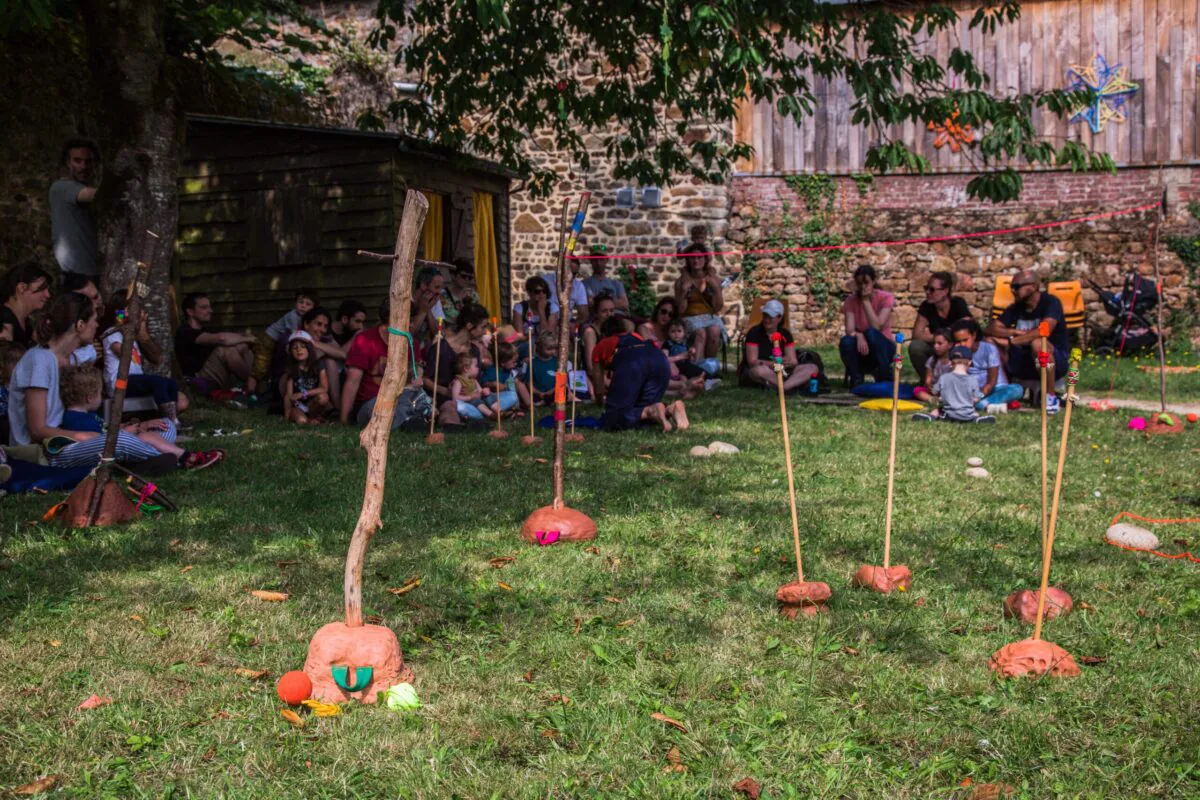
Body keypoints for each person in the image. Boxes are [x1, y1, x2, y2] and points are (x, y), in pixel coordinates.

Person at [9, 293, 222, 469]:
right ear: (80, 325)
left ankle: (143, 455)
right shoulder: (39, 360)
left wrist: (133, 428)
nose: (97, 325)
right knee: (118, 440)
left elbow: (94, 352)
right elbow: (37, 430)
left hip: (77, 439)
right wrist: (87, 436)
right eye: (93, 320)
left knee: (165, 426)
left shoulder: (72, 357)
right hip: (51, 449)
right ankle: (179, 457)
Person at [58, 364, 215, 466]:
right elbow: (103, 440)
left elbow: (106, 428)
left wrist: (140, 426)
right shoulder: (75, 420)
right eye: (100, 393)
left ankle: (162, 454)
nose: (102, 396)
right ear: (89, 398)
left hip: (124, 445)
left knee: (165, 424)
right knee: (140, 437)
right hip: (110, 450)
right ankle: (185, 457)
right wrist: (132, 430)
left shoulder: (91, 415)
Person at [985, 269, 1069, 413]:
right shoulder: (1016, 308)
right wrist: (1014, 332)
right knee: (990, 341)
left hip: (1053, 361)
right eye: (1012, 287)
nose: (1013, 291)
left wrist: (1013, 341)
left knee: (1038, 343)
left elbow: (1044, 331)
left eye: (1017, 287)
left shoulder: (1050, 303)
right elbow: (992, 328)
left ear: (1034, 286)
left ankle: (1050, 397)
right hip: (1023, 361)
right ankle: (1004, 389)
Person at [100, 289, 189, 422]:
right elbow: (124, 354)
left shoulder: (134, 336)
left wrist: (141, 331)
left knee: (169, 383)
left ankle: (173, 417)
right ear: (122, 312)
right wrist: (123, 326)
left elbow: (157, 358)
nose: (140, 313)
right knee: (156, 382)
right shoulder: (111, 333)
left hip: (135, 381)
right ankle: (168, 419)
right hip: (118, 383)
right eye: (134, 309)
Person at [593, 325, 689, 432]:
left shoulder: (603, 343)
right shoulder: (637, 336)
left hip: (632, 362)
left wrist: (599, 402)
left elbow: (598, 382)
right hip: (659, 359)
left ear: (604, 335)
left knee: (612, 420)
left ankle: (650, 410)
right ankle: (670, 409)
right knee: (640, 415)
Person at [176, 292, 256, 394]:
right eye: (204, 307)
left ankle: (253, 383)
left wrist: (246, 338)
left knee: (242, 346)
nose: (210, 311)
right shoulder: (185, 331)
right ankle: (253, 385)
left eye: (209, 307)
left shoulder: (206, 330)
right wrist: (249, 339)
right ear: (190, 312)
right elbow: (222, 338)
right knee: (226, 350)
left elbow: (228, 338)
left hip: (213, 374)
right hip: (196, 379)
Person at [739, 299, 819, 392]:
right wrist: (772, 364)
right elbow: (752, 362)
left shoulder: (785, 334)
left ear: (779, 318)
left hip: (783, 371)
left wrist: (788, 362)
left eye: (770, 317)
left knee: (812, 368)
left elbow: (793, 361)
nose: (766, 320)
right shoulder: (754, 333)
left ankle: (784, 387)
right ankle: (789, 386)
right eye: (765, 316)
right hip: (764, 370)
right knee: (759, 371)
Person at [252, 288, 318, 397]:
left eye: (308, 304)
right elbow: (295, 335)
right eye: (300, 302)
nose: (303, 306)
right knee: (261, 366)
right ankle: (251, 389)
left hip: (276, 340)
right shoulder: (293, 316)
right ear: (295, 303)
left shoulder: (305, 318)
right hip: (269, 339)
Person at [49, 138, 100, 277]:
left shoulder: (81, 188)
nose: (83, 166)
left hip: (91, 271)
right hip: (76, 276)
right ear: (67, 162)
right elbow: (95, 195)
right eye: (77, 161)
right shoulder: (61, 187)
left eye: (88, 162)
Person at [839, 264, 896, 387]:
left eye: (866, 283)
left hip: (883, 346)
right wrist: (859, 336)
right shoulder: (851, 300)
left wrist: (865, 301)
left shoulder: (886, 298)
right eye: (859, 284)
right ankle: (856, 378)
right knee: (846, 341)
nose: (862, 287)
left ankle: (885, 376)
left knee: (871, 333)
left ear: (874, 282)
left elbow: (877, 327)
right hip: (862, 346)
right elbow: (850, 329)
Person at [951, 319, 1024, 413]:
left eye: (965, 340)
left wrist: (979, 397)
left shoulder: (989, 349)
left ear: (974, 335)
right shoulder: (958, 353)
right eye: (958, 341)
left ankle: (983, 404)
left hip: (995, 389)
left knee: (1017, 389)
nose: (962, 344)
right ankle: (992, 405)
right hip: (974, 391)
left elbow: (992, 382)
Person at [909, 271, 971, 380]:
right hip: (937, 346)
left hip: (956, 346)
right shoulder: (926, 306)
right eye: (926, 288)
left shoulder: (958, 304)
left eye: (932, 289)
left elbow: (968, 327)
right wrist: (939, 339)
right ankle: (928, 381)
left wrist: (947, 340)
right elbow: (917, 335)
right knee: (916, 347)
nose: (927, 292)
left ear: (945, 291)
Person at [912, 345, 996, 424]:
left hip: (949, 414)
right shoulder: (972, 379)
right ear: (969, 363)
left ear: (951, 363)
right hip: (967, 414)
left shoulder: (944, 378)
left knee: (938, 410)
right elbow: (977, 397)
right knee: (974, 413)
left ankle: (931, 416)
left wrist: (941, 396)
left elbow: (934, 391)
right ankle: (976, 419)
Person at [673, 242, 726, 361]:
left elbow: (717, 308)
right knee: (700, 332)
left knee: (714, 330)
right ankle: (698, 369)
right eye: (692, 257)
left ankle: (710, 368)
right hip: (689, 317)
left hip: (709, 316)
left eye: (699, 257)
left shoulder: (712, 278)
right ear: (687, 259)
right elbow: (681, 310)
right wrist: (683, 291)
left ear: (705, 259)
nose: (695, 260)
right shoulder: (681, 281)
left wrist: (716, 288)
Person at [282, 331, 330, 425]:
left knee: (323, 397)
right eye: (295, 347)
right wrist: (286, 416)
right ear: (290, 351)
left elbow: (324, 388)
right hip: (297, 406)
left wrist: (303, 394)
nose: (299, 350)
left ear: (310, 349)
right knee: (301, 421)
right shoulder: (291, 368)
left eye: (303, 346)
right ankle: (311, 421)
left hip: (312, 403)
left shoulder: (318, 365)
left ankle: (314, 417)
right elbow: (288, 395)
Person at [0, 263, 53, 346]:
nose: (47, 294)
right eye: (42, 288)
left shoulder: (26, 323)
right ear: (21, 288)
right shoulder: (4, 320)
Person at [63, 273, 105, 366]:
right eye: (86, 300)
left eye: (95, 297)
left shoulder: (115, 313)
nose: (94, 305)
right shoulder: (67, 325)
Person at [480, 341, 527, 413]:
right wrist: (494, 384)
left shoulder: (509, 370)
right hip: (494, 399)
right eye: (513, 362)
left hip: (506, 395)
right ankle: (509, 410)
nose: (515, 364)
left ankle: (529, 405)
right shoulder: (492, 370)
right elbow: (484, 383)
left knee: (519, 383)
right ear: (503, 362)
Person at [581, 245, 629, 311]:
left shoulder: (616, 283)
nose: (598, 263)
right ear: (590, 261)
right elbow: (583, 306)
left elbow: (624, 304)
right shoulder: (583, 284)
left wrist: (597, 302)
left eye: (601, 259)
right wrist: (614, 302)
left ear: (606, 260)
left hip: (617, 318)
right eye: (595, 260)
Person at [513, 276, 559, 342]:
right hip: (526, 343)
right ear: (529, 293)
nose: (541, 294)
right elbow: (519, 335)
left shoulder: (552, 308)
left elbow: (548, 336)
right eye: (537, 292)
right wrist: (532, 339)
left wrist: (542, 312)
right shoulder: (520, 307)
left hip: (545, 345)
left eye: (544, 291)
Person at [912, 328, 953, 404]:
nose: (936, 346)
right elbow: (928, 379)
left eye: (940, 343)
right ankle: (933, 400)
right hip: (934, 391)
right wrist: (929, 386)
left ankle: (944, 400)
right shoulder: (932, 360)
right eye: (934, 343)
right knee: (917, 390)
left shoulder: (954, 362)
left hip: (948, 390)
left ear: (950, 345)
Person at [548, 254, 590, 324]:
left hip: (566, 324)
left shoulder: (578, 286)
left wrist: (573, 325)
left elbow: (584, 315)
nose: (570, 276)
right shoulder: (546, 281)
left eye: (574, 273)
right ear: (560, 269)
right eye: (568, 272)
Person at [412, 266, 446, 348]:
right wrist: (423, 311)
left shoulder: (433, 300)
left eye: (441, 288)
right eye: (437, 287)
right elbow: (408, 333)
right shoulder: (407, 301)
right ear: (423, 285)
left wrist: (428, 310)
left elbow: (440, 333)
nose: (440, 292)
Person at [441, 259, 481, 326]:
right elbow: (450, 317)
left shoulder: (474, 296)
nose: (467, 280)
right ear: (453, 275)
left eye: (470, 278)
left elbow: (477, 317)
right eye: (463, 276)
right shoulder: (443, 296)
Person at [528, 330, 559, 405]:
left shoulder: (557, 362)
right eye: (549, 349)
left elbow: (561, 381)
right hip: (538, 393)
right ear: (540, 347)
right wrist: (539, 393)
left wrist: (552, 390)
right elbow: (529, 383)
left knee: (563, 390)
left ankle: (546, 401)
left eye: (554, 348)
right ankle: (545, 401)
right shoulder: (533, 363)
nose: (552, 352)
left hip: (553, 391)